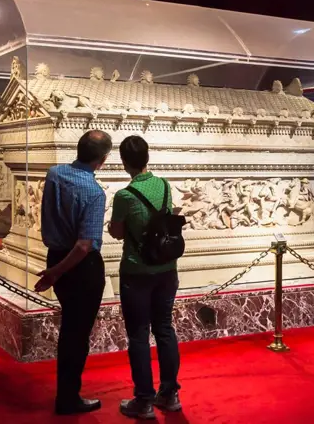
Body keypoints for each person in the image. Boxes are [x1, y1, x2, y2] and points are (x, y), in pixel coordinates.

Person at [34, 130, 112, 415]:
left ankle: (67, 393)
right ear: (102, 161)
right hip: (79, 267)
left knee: (70, 329)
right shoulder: (93, 192)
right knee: (77, 335)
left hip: (56, 254)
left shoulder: (55, 173)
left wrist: (55, 269)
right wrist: (54, 273)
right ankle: (68, 397)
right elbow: (83, 246)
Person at [109, 135, 182, 419]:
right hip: (166, 269)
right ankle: (170, 393)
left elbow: (117, 232)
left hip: (137, 270)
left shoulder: (124, 196)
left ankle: (144, 400)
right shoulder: (163, 185)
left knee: (139, 334)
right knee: (164, 327)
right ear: (147, 157)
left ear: (124, 162)